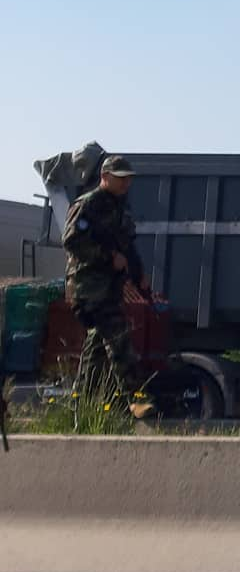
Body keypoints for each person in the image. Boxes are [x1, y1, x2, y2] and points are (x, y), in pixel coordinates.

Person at [62, 154, 152, 415]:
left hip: (109, 289)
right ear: (105, 177)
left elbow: (128, 247)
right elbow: (71, 241)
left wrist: (139, 276)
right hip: (88, 288)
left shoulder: (121, 207)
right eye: (120, 179)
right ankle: (137, 401)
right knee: (118, 336)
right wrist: (108, 256)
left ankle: (79, 407)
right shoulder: (88, 204)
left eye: (129, 180)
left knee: (97, 349)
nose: (126, 184)